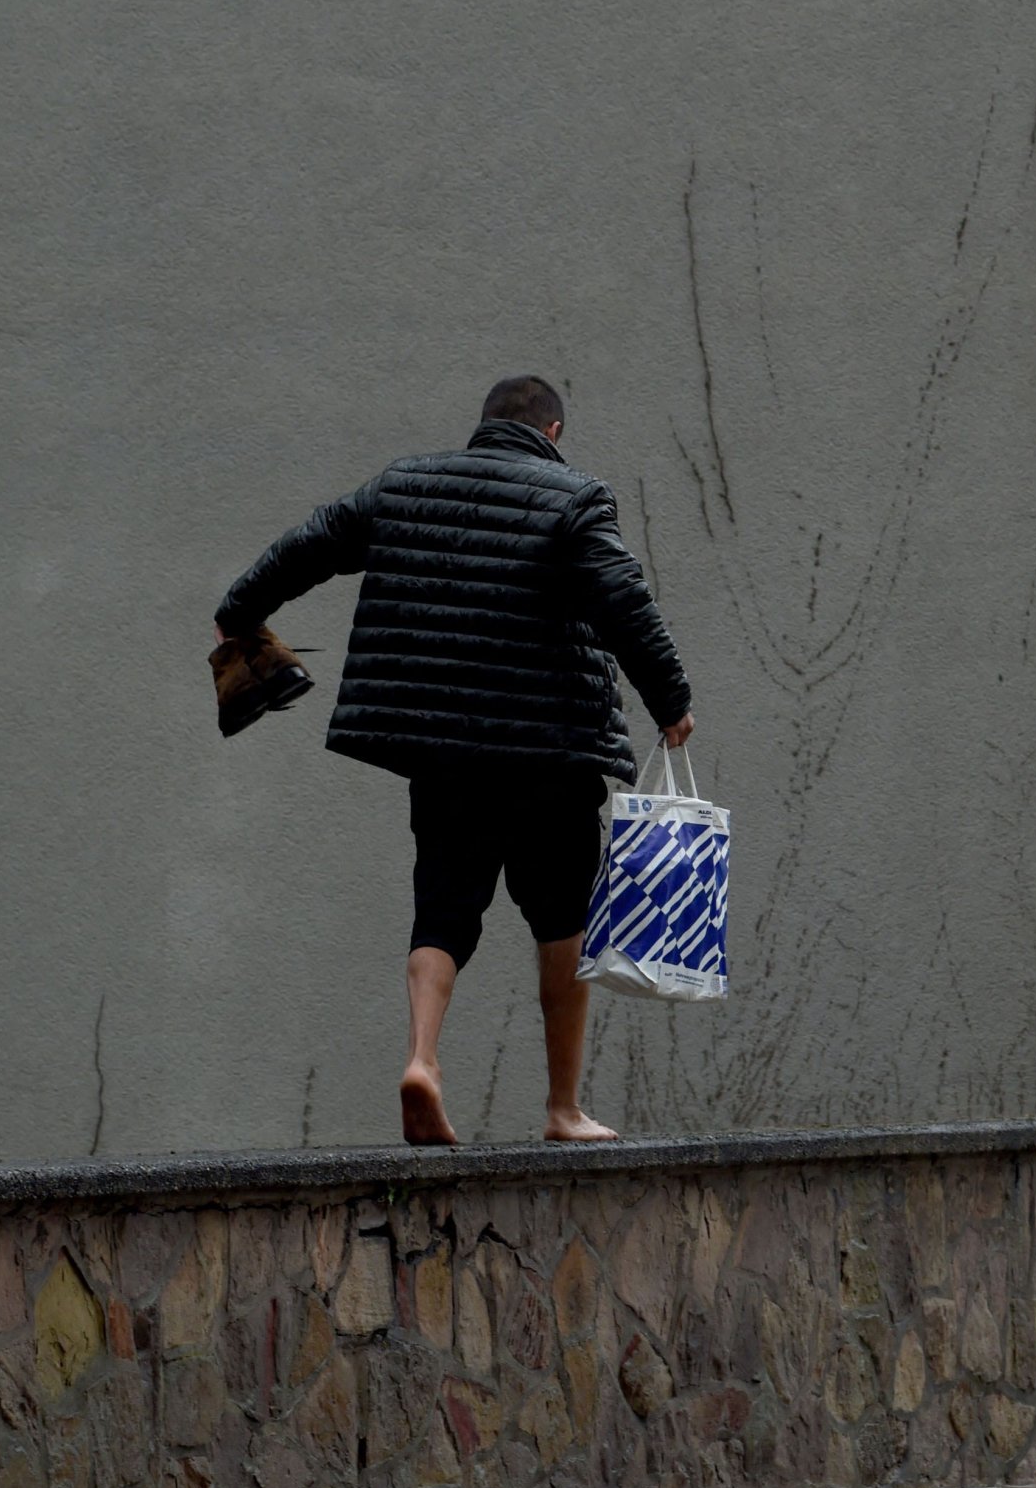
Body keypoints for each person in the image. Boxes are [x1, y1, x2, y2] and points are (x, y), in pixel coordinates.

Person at [212, 375, 697, 1147]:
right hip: (550, 755)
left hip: (446, 755)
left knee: (443, 910)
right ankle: (563, 1109)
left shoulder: (402, 486)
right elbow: (623, 600)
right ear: (554, 430)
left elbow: (311, 543)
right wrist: (671, 700)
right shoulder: (572, 498)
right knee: (563, 919)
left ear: (483, 427)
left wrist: (240, 611)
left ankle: (422, 1061)